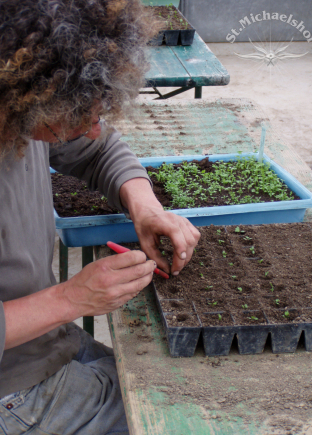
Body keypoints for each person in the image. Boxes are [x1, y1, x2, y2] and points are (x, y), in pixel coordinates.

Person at [0, 1, 200, 434]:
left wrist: (145, 208)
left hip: (42, 342)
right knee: (186, 417)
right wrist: (71, 299)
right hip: (11, 389)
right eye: (81, 115)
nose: (94, 127)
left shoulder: (21, 110)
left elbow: (97, 147)